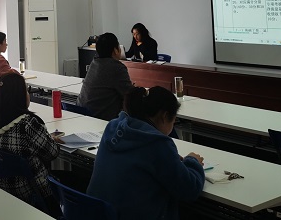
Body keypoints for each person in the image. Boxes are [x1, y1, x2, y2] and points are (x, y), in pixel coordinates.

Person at [87, 86, 205, 220]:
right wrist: (192, 161)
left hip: (95, 214)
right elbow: (190, 189)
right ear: (164, 116)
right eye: (174, 121)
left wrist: (170, 158)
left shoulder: (113, 126)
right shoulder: (157, 143)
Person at [0, 71, 61, 214]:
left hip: (6, 190)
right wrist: (51, 139)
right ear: (18, 97)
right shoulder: (28, 124)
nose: (28, 94)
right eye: (26, 91)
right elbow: (52, 153)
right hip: (35, 193)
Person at [77, 32, 133, 120]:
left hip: (82, 114)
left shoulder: (94, 62)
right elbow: (129, 94)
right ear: (115, 50)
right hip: (100, 118)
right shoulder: (117, 67)